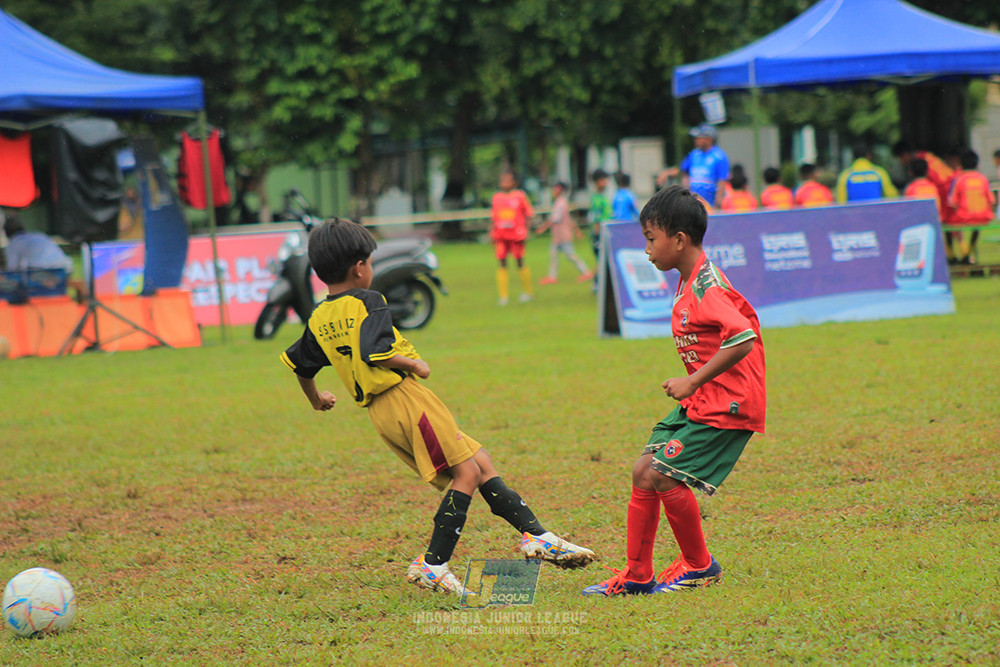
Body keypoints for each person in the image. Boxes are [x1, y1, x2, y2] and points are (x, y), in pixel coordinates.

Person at [281, 218, 595, 598]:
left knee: (480, 460)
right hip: (403, 399)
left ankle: (539, 537)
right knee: (466, 473)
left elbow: (301, 363)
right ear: (359, 267)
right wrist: (415, 365)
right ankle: (432, 563)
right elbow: (375, 351)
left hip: (385, 411)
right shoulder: (369, 300)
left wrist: (317, 398)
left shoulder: (319, 315)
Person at [582, 185, 765, 597]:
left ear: (678, 240)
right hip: (705, 399)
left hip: (728, 403)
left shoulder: (706, 287)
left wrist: (692, 381)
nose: (647, 249)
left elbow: (743, 337)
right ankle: (636, 576)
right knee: (643, 471)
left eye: (651, 238)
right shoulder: (689, 281)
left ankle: (700, 566)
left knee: (664, 475)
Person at [490, 170, 534, 305]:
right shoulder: (497, 198)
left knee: (520, 261)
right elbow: (494, 218)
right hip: (501, 236)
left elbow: (528, 214)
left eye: (507, 180)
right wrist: (492, 232)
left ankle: (528, 292)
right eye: (502, 180)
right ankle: (503, 296)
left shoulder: (520, 196)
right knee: (502, 262)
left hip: (516, 235)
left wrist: (528, 231)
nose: (504, 183)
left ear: (514, 182)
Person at [536, 182, 593, 285]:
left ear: (559, 190)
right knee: (554, 255)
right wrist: (577, 231)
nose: (553, 191)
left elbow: (554, 219)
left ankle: (586, 272)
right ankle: (552, 277)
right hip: (558, 236)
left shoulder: (561, 203)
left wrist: (543, 228)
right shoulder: (560, 202)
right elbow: (570, 219)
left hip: (563, 235)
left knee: (570, 255)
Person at [660, 124, 730, 207]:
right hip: (695, 202)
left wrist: (718, 203)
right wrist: (666, 173)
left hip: (711, 203)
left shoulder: (719, 156)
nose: (696, 140)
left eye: (699, 137)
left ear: (709, 139)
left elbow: (722, 180)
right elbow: (681, 169)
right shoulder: (694, 154)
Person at [947, 149, 996, 265]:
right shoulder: (983, 179)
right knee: (976, 226)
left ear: (961, 164)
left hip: (964, 217)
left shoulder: (959, 179)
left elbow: (953, 202)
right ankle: (969, 252)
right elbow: (992, 201)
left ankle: (954, 255)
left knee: (948, 224)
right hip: (984, 217)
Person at [2, 216, 74, 273]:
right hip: (65, 268)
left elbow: (12, 268)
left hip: (44, 273)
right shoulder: (39, 235)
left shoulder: (14, 243)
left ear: (6, 232)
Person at [588, 168, 614, 264]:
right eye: (603, 179)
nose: (605, 182)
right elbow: (596, 219)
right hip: (601, 234)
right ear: (597, 182)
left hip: (608, 232)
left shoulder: (604, 196)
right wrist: (596, 237)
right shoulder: (597, 199)